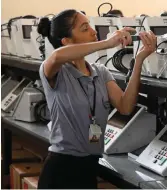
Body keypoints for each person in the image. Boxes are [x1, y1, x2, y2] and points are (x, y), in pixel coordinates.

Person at [36, 9, 156, 189]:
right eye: (85, 28)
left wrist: (139, 60)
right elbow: (57, 56)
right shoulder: (56, 71)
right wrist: (107, 43)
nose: (93, 32)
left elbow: (125, 106)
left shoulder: (100, 72)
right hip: (61, 169)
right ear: (66, 41)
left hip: (89, 167)